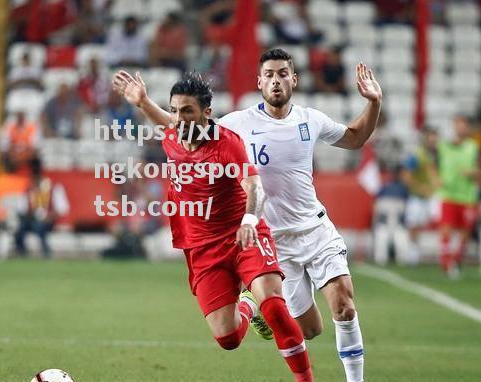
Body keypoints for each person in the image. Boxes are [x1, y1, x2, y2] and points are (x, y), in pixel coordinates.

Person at [119, 48, 382, 382]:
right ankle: (249, 302)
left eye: (282, 73)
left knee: (344, 305)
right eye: (269, 74)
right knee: (311, 329)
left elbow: (357, 138)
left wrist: (373, 102)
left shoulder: (311, 120)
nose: (275, 80)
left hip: (310, 229)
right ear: (259, 81)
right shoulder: (236, 124)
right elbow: (180, 128)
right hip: (276, 237)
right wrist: (143, 103)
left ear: (294, 79)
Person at [113, 71, 314, 381]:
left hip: (243, 236)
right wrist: (142, 101)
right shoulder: (173, 135)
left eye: (187, 111)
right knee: (228, 338)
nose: (178, 119)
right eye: (175, 110)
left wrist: (249, 220)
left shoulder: (226, 144)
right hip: (202, 247)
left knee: (274, 307)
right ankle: (249, 304)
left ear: (207, 113)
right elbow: (164, 121)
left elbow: (254, 187)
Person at [437, 115, 481, 278]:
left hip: (468, 196)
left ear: (468, 128)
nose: (460, 128)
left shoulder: (474, 147)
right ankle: (445, 262)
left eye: (463, 125)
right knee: (446, 229)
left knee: (465, 232)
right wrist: (435, 179)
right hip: (448, 194)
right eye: (457, 125)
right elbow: (433, 165)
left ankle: (455, 261)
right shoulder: (443, 146)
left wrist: (473, 172)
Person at [15, 159, 69, 257]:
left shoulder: (53, 187)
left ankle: (46, 252)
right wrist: (28, 215)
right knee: (20, 229)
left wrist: (49, 217)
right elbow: (22, 208)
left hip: (47, 221)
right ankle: (21, 253)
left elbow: (62, 208)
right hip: (31, 220)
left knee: (39, 227)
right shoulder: (28, 189)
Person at [402, 126, 440, 262]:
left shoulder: (439, 154)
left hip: (435, 195)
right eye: (431, 137)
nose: (434, 140)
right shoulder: (417, 155)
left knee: (442, 221)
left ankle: (442, 251)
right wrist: (420, 188)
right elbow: (406, 175)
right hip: (418, 196)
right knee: (414, 224)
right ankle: (413, 252)